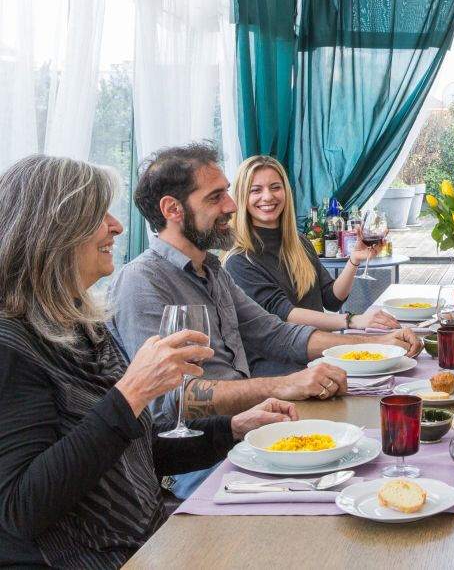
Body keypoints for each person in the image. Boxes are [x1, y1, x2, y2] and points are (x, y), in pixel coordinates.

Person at [0, 155, 297, 569]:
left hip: (148, 538)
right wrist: (131, 393)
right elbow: (18, 512)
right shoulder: (11, 344)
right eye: (97, 215)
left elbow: (133, 451)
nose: (117, 226)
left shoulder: (83, 326)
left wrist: (230, 428)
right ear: (54, 232)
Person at [107, 142, 422, 421]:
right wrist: (286, 385)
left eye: (228, 193)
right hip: (204, 458)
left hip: (250, 422)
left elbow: (279, 335)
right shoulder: (141, 281)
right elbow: (165, 401)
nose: (231, 205)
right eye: (216, 197)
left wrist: (379, 343)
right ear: (172, 209)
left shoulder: (212, 270)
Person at [224, 155, 398, 375]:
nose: (267, 196)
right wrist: (353, 321)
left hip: (320, 356)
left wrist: (354, 259)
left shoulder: (298, 242)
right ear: (241, 197)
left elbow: (332, 298)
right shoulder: (239, 260)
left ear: (285, 192)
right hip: (280, 369)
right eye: (255, 190)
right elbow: (286, 313)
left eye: (275, 187)